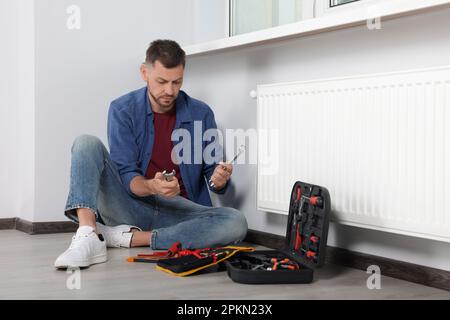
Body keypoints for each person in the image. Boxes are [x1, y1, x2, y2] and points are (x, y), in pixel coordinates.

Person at [54, 39, 248, 269]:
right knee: (85, 143)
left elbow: (214, 180)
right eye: (162, 81)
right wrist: (153, 187)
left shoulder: (201, 113)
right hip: (132, 205)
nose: (170, 90)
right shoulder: (122, 109)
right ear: (144, 72)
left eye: (177, 82)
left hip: (181, 213)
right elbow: (126, 175)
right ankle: (88, 234)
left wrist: (218, 181)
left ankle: (128, 238)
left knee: (236, 222)